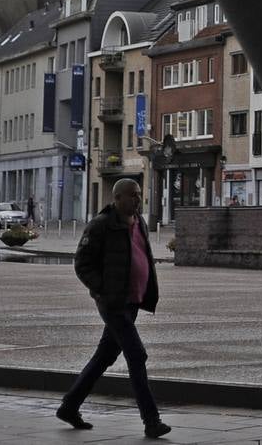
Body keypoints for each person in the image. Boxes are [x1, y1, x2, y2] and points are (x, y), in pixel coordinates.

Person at [57, 178, 170, 437]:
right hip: (114, 303)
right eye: (132, 195)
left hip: (132, 301)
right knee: (137, 355)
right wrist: (102, 289)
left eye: (139, 194)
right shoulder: (101, 225)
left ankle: (70, 406)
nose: (137, 199)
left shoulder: (139, 222)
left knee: (105, 356)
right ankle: (151, 420)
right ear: (117, 198)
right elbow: (82, 263)